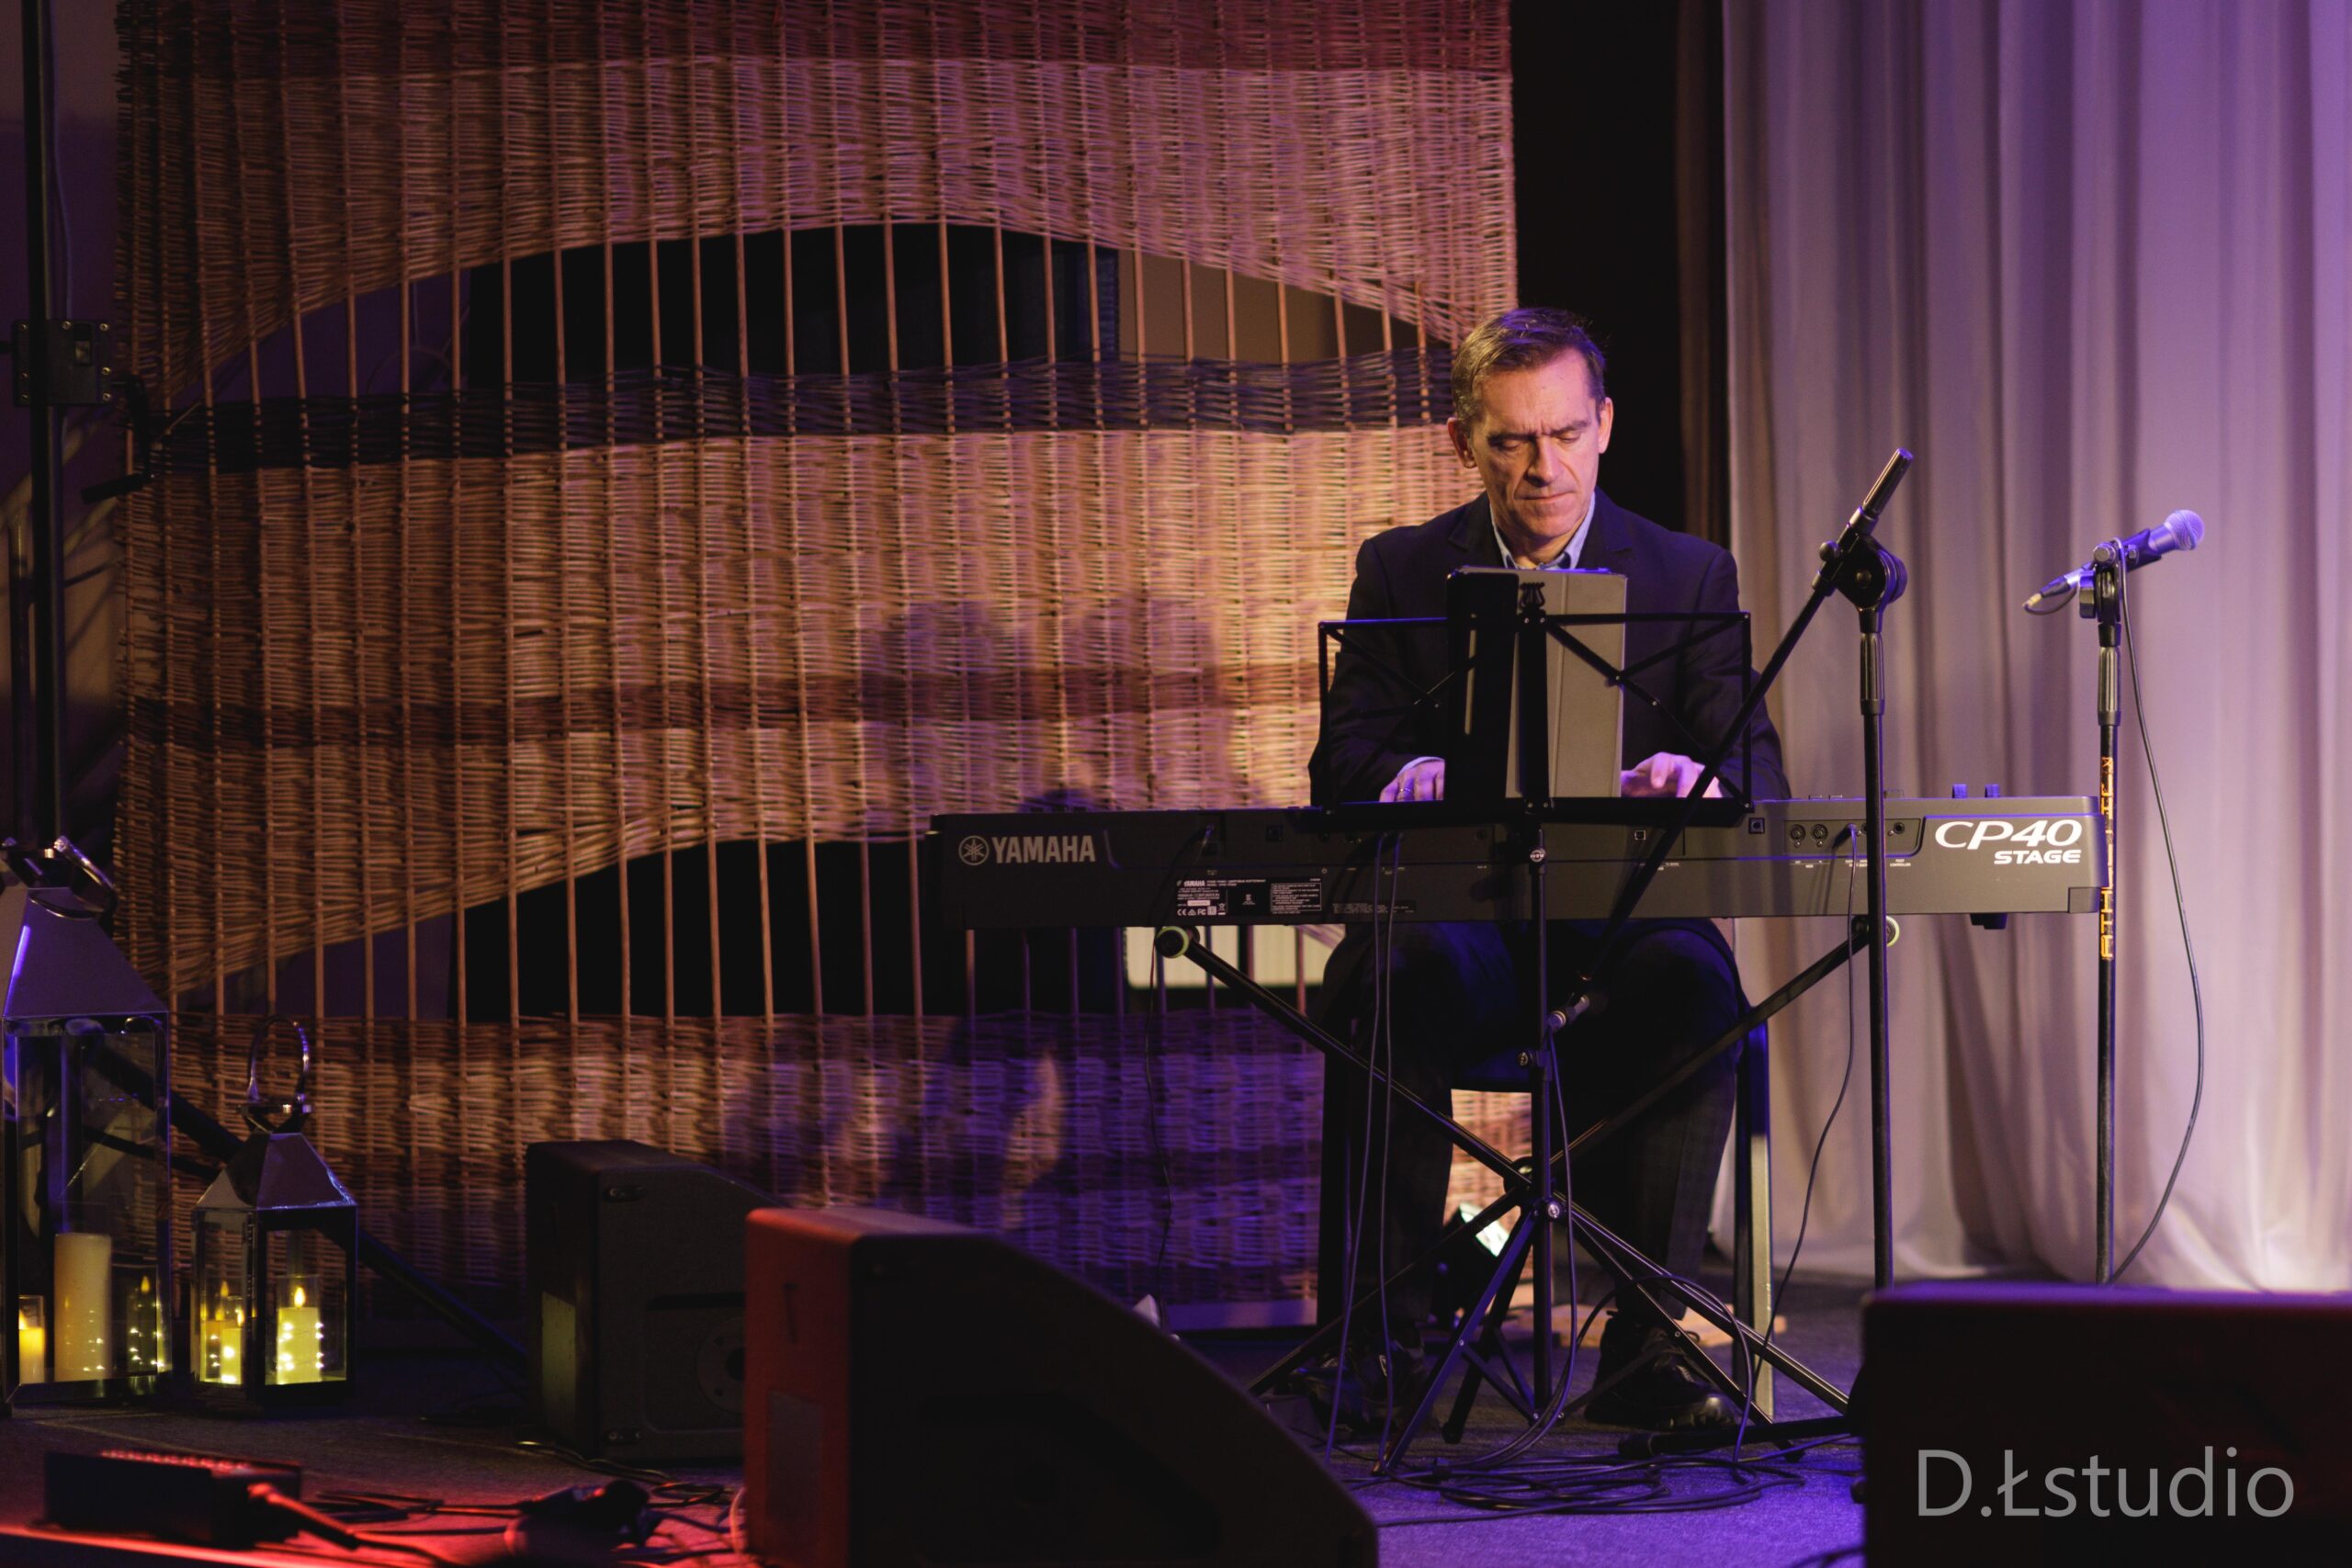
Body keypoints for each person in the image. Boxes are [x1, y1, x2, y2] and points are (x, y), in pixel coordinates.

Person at [1307, 306, 1789, 1430]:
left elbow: (1753, 769)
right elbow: (1342, 761)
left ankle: (1647, 1345)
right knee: (1383, 977)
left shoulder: (1687, 573)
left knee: (1698, 987)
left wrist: (1695, 774)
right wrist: (1410, 769)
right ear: (1463, 442)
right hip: (1461, 925)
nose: (1544, 468)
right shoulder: (1401, 569)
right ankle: (1379, 1347)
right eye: (1513, 441)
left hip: (1622, 925)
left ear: (1604, 425)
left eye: (1566, 435)